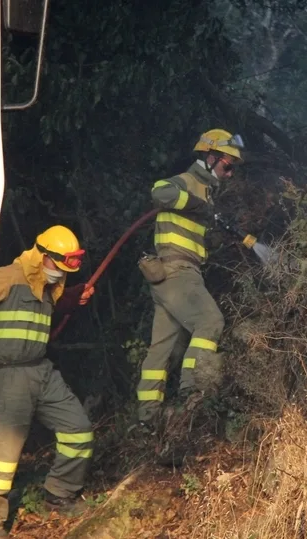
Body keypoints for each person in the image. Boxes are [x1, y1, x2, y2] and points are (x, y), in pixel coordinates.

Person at [0, 225, 96, 539]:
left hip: (43, 372)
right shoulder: (8, 277)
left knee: (78, 430)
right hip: (9, 376)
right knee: (2, 457)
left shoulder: (48, 283)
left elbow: (56, 304)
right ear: (43, 255)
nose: (61, 274)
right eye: (59, 266)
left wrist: (75, 295)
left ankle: (59, 493)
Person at [133, 128, 245, 435]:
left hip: (172, 275)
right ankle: (192, 393)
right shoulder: (189, 182)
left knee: (163, 348)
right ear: (210, 157)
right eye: (227, 165)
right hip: (177, 272)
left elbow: (191, 233)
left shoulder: (206, 193)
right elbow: (160, 192)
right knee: (210, 321)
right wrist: (196, 204)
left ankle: (147, 418)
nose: (230, 173)